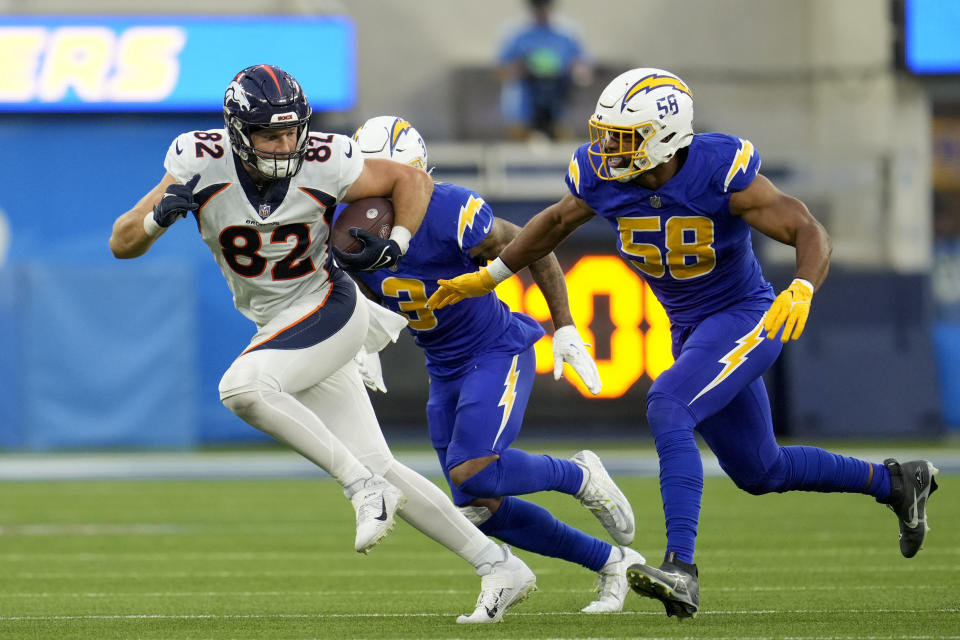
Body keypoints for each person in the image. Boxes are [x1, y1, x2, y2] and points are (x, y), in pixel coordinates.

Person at [427, 67, 941, 619]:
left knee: (668, 403)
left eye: (624, 138)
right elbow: (555, 222)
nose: (607, 150)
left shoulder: (718, 171)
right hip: (689, 330)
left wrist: (801, 286)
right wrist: (494, 274)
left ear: (666, 136)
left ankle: (681, 568)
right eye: (605, 135)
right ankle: (895, 482)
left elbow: (807, 227)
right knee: (760, 470)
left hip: (744, 316)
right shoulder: (604, 177)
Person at [108, 64, 537, 624]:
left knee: (242, 388)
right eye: (269, 134)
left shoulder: (327, 157)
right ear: (238, 133)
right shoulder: (198, 160)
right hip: (276, 324)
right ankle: (498, 565)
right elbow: (122, 242)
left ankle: (361, 490)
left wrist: (399, 240)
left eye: (292, 131)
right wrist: (158, 221)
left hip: (328, 305)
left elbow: (413, 181)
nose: (286, 145)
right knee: (381, 463)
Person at [342, 115, 645, 613]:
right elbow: (345, 290)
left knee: (475, 471)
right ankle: (613, 563)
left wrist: (565, 325)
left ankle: (578, 475)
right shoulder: (343, 221)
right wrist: (362, 342)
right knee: (480, 508)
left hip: (493, 349)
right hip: (443, 366)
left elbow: (533, 247)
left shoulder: (449, 211)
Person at [497, 0, 591, 141]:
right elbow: (501, 72)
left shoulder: (567, 35)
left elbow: (584, 73)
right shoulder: (517, 36)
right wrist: (519, 69)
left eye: (544, 4)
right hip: (524, 113)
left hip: (559, 111)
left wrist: (576, 71)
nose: (541, 10)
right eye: (537, 5)